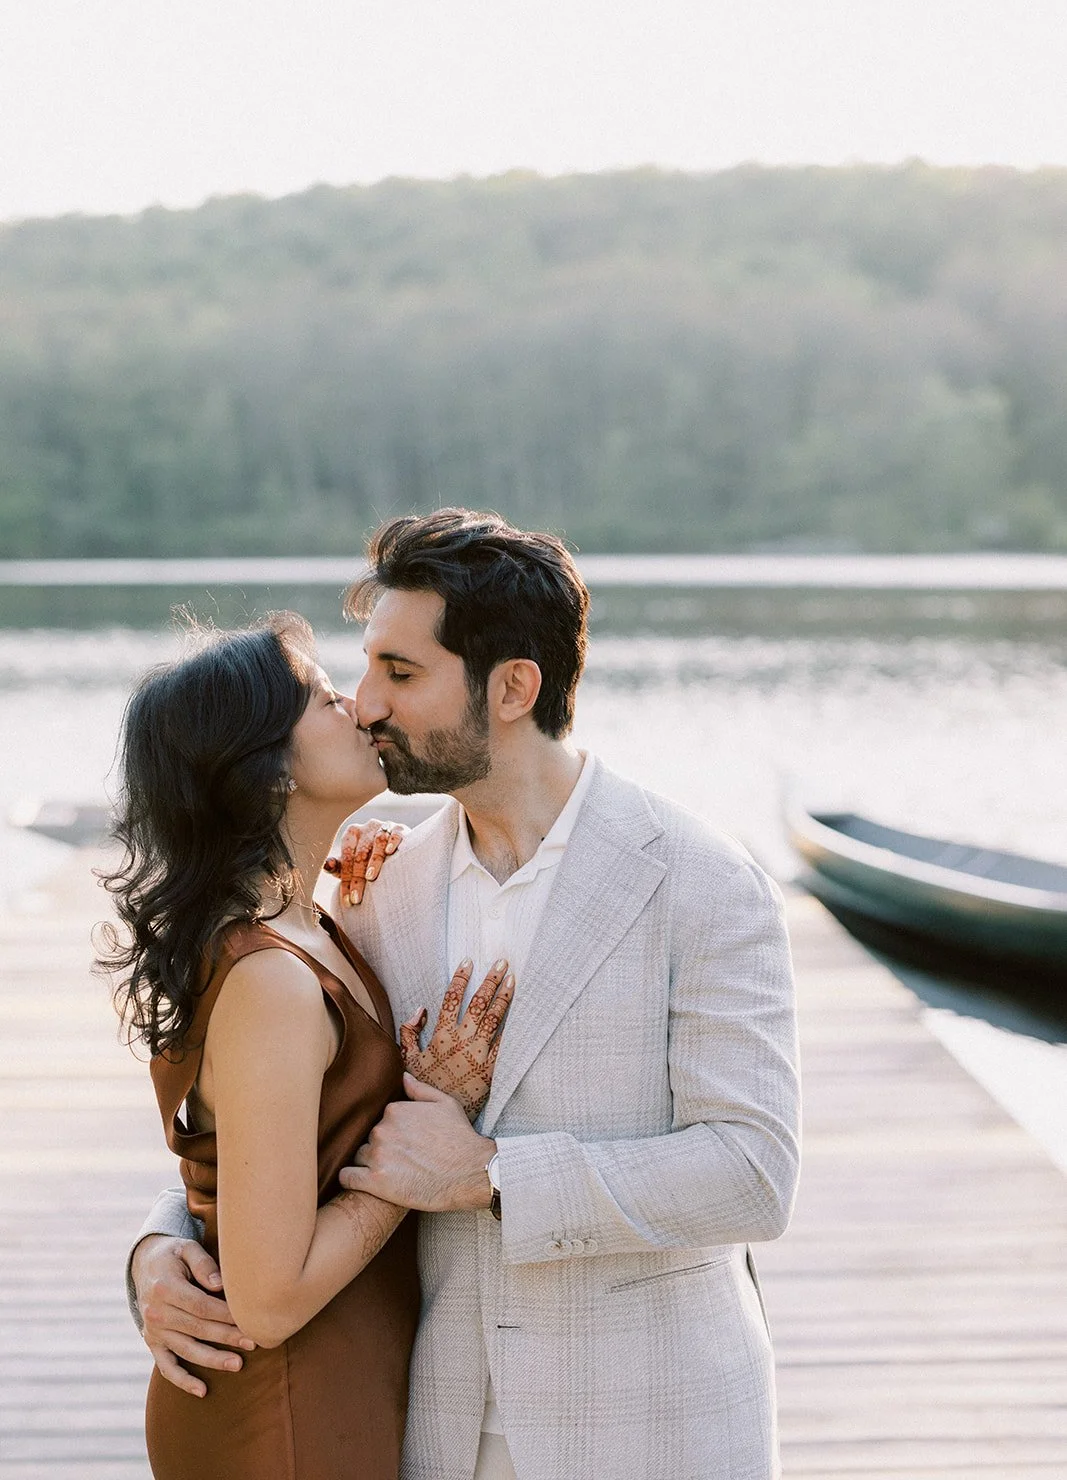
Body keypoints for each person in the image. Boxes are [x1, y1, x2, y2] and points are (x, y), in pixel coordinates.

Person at [129, 511, 801, 1480]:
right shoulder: (373, 888)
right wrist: (158, 1245)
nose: (364, 704)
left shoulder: (702, 882)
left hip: (652, 1427)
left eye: (399, 675)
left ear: (513, 687)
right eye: (362, 671)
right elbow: (277, 1113)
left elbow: (750, 1171)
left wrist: (489, 1175)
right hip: (432, 1432)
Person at [100, 612, 512, 1480]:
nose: (364, 710)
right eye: (328, 699)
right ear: (270, 769)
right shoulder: (271, 981)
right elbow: (271, 1295)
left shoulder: (308, 919)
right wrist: (409, 1164)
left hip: (341, 1380)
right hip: (281, 1409)